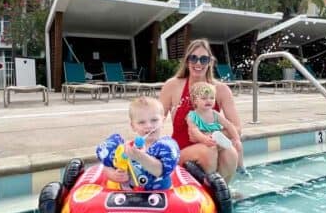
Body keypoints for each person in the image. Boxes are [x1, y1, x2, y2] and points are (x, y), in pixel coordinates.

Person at [159, 38, 241, 183]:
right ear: (187, 61)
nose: (198, 63)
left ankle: (219, 195)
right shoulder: (172, 86)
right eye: (193, 58)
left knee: (231, 154)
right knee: (207, 151)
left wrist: (209, 136)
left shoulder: (221, 90)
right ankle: (210, 194)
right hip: (182, 150)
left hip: (211, 146)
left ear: (210, 62)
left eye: (203, 59)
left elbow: (237, 128)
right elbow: (156, 122)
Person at [97, 96, 179, 189]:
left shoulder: (165, 147)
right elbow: (107, 166)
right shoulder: (127, 147)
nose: (148, 126)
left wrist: (140, 157)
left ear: (163, 121)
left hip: (159, 194)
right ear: (133, 126)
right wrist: (113, 175)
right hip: (129, 194)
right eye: (141, 122)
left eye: (154, 120)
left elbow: (160, 171)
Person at [187, 81, 244, 167]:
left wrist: (237, 139)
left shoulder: (214, 114)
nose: (208, 100)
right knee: (212, 147)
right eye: (204, 98)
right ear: (195, 100)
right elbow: (194, 131)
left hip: (215, 138)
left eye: (212, 98)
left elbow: (229, 125)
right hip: (202, 142)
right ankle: (211, 172)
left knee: (234, 146)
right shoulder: (192, 116)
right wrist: (204, 139)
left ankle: (241, 167)